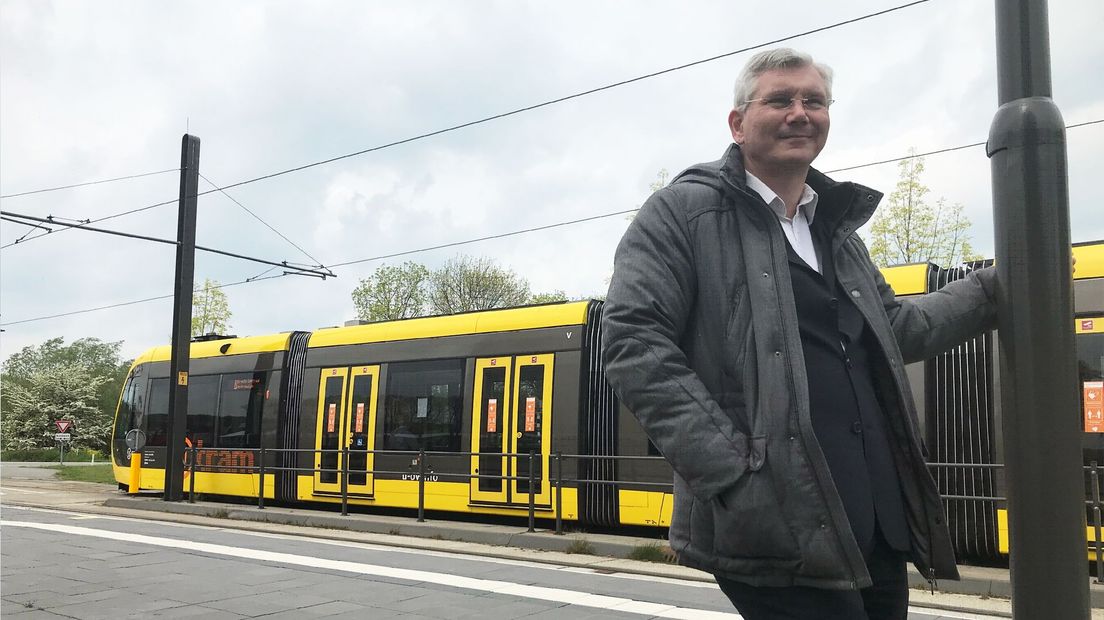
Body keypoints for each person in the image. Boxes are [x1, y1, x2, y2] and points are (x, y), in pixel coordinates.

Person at [601, 48, 998, 619]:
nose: (800, 113)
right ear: (737, 123)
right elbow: (633, 341)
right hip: (775, 518)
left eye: (814, 101)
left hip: (876, 518)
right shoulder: (680, 214)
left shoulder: (838, 232)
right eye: (781, 100)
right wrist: (732, 471)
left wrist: (991, 290)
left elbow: (897, 330)